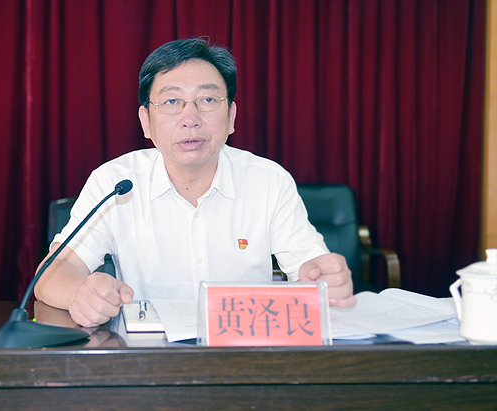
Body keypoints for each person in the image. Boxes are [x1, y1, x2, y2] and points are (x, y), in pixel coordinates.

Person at [34, 38, 356, 327]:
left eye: (208, 100)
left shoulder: (268, 181)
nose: (190, 119)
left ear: (231, 117)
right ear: (146, 122)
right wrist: (80, 292)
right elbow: (52, 273)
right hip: (148, 359)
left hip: (244, 355)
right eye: (172, 102)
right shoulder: (115, 182)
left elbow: (312, 271)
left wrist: (326, 279)